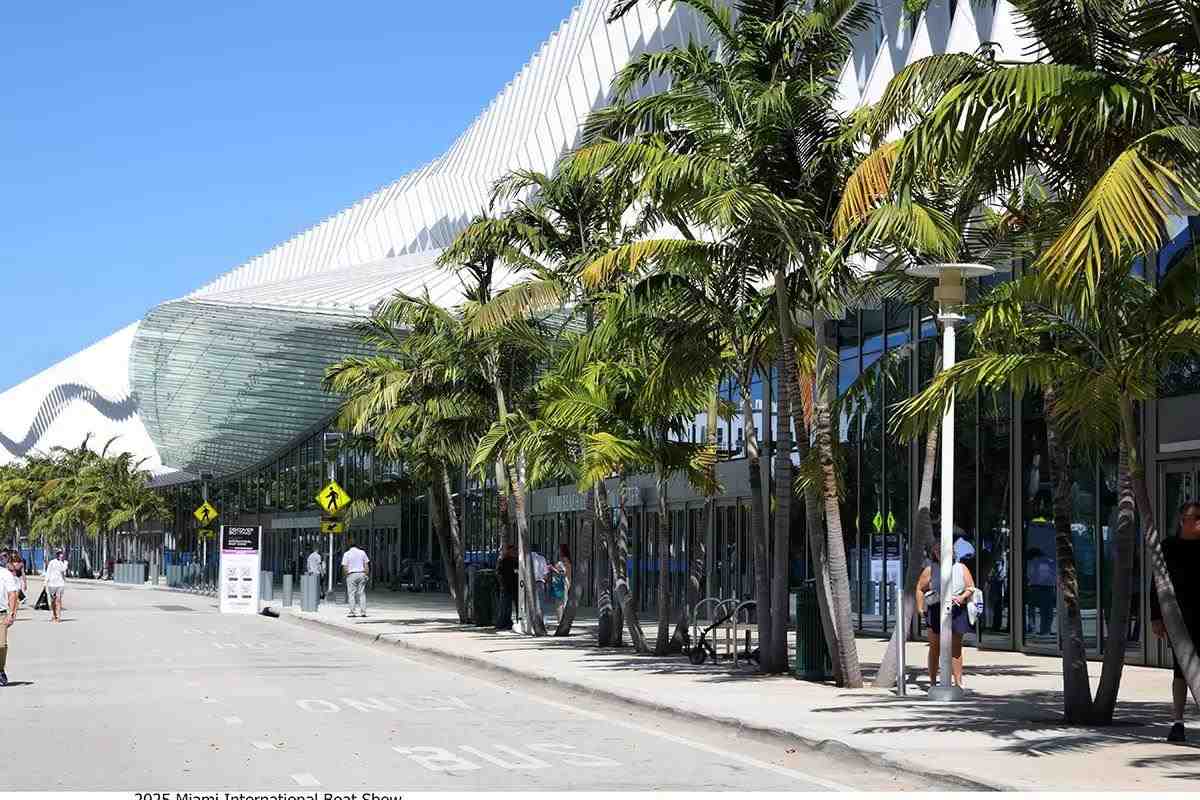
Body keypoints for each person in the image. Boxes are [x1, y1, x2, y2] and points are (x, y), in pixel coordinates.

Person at [1152, 501, 1200, 743]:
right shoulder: (1168, 548)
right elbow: (1157, 585)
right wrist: (1156, 618)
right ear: (1183, 520)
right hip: (1179, 621)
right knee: (1180, 672)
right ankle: (1178, 722)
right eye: (1196, 517)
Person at [916, 541, 976, 689]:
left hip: (956, 609)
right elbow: (919, 588)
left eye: (943, 551)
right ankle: (932, 681)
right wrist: (920, 608)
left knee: (956, 647)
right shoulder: (931, 569)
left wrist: (962, 597)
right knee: (934, 646)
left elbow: (971, 587)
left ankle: (958, 681)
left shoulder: (961, 568)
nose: (939, 553)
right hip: (936, 608)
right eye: (937, 551)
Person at [1026, 548, 1057, 636]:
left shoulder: (1034, 562)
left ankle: (1034, 628)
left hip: (1038, 587)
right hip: (1047, 587)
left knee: (1033, 608)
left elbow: (1030, 575)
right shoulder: (1050, 562)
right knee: (1046, 610)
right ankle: (1045, 629)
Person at [1, 553, 21, 686]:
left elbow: (12, 594)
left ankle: (0, 669)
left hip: (1, 614)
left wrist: (12, 614)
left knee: (1, 644)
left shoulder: (5, 574)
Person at [341, 539, 369, 618]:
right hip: (361, 573)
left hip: (351, 574)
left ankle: (352, 612)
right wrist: (366, 574)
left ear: (349, 546)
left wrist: (346, 575)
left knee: (351, 594)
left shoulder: (347, 554)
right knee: (362, 593)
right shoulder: (362, 552)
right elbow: (366, 565)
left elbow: (345, 567)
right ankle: (363, 612)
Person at [547, 543, 573, 620]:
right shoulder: (566, 559)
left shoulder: (565, 560)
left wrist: (552, 568)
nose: (558, 551)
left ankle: (561, 619)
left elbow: (563, 572)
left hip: (563, 583)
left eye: (559, 549)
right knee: (561, 601)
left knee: (560, 602)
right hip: (564, 582)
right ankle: (561, 618)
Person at [495, 543, 517, 631]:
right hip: (507, 587)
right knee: (505, 606)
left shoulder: (515, 560)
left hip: (515, 587)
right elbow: (499, 573)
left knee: (508, 606)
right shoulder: (504, 560)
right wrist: (502, 584)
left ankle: (507, 622)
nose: (514, 552)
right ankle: (503, 622)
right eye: (512, 550)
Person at [44, 549, 69, 623]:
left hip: (60, 584)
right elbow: (48, 572)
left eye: (62, 554)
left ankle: (58, 616)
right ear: (57, 554)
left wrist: (65, 563)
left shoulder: (64, 562)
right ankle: (54, 614)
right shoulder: (52, 562)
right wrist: (45, 582)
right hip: (52, 584)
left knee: (58, 600)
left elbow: (63, 570)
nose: (61, 555)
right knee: (53, 601)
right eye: (60, 554)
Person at [530, 548, 549, 620]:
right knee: (541, 603)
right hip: (540, 582)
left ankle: (531, 620)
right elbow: (545, 574)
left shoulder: (527, 558)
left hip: (530, 583)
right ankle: (542, 620)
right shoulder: (542, 558)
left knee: (530, 603)